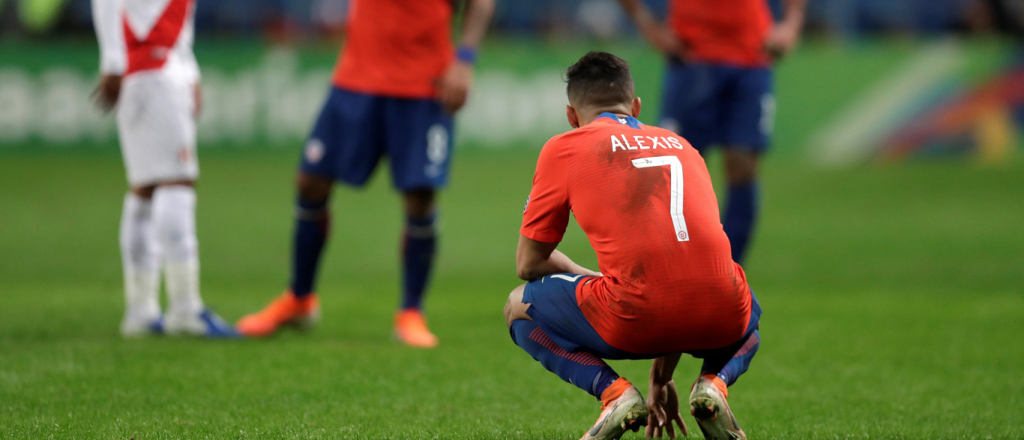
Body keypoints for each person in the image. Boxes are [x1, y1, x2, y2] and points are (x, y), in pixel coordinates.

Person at [505, 52, 762, 440]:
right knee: (747, 311)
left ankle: (614, 394)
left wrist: (591, 278)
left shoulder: (565, 147)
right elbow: (680, 262)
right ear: (636, 107)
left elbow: (529, 263)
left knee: (518, 306)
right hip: (720, 311)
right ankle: (714, 384)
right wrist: (663, 378)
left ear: (572, 116)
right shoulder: (681, 144)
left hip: (633, 316)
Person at [236, 0, 495, 347]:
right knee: (311, 181)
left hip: (423, 82)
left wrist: (465, 61)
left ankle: (411, 312)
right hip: (356, 79)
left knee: (419, 195)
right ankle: (299, 299)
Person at [617, 0, 807, 263]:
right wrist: (646, 23)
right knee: (674, 168)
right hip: (692, 57)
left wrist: (791, 23)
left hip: (752, 56)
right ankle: (673, 266)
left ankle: (730, 271)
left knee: (743, 163)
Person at [92, 0, 237, 337]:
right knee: (177, 183)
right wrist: (113, 62)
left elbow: (176, 18)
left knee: (146, 187)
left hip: (160, 66)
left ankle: (141, 311)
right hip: (150, 69)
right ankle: (185, 308)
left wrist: (190, 70)